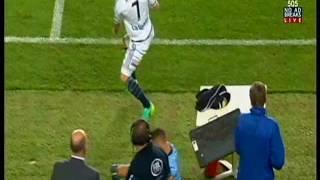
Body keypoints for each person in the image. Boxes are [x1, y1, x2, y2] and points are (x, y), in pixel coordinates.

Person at [113, 0, 160, 121]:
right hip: (149, 32)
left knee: (125, 77)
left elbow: (117, 24)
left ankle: (148, 106)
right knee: (128, 44)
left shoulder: (120, 5)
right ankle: (135, 79)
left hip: (138, 44)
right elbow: (156, 6)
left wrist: (116, 31)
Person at [235, 81, 285, 180]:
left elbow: (238, 148)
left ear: (250, 99)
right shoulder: (272, 126)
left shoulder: (240, 120)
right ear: (265, 99)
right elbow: (278, 162)